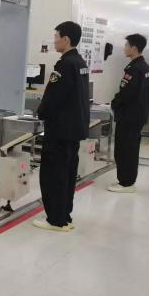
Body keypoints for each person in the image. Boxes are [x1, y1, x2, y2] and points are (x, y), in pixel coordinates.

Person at [34, 21, 90, 232]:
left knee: (53, 174)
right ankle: (64, 215)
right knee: (67, 174)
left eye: (56, 37)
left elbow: (52, 98)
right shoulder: (80, 63)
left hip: (59, 130)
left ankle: (56, 220)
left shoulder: (65, 65)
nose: (54, 41)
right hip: (73, 129)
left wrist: (40, 113)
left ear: (66, 39)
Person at [108, 34, 149, 193]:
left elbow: (127, 93)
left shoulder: (134, 69)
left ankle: (125, 183)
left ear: (134, 48)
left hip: (129, 116)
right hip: (137, 116)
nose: (124, 48)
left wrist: (114, 103)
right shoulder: (144, 67)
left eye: (126, 45)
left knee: (124, 149)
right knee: (131, 149)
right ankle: (128, 181)